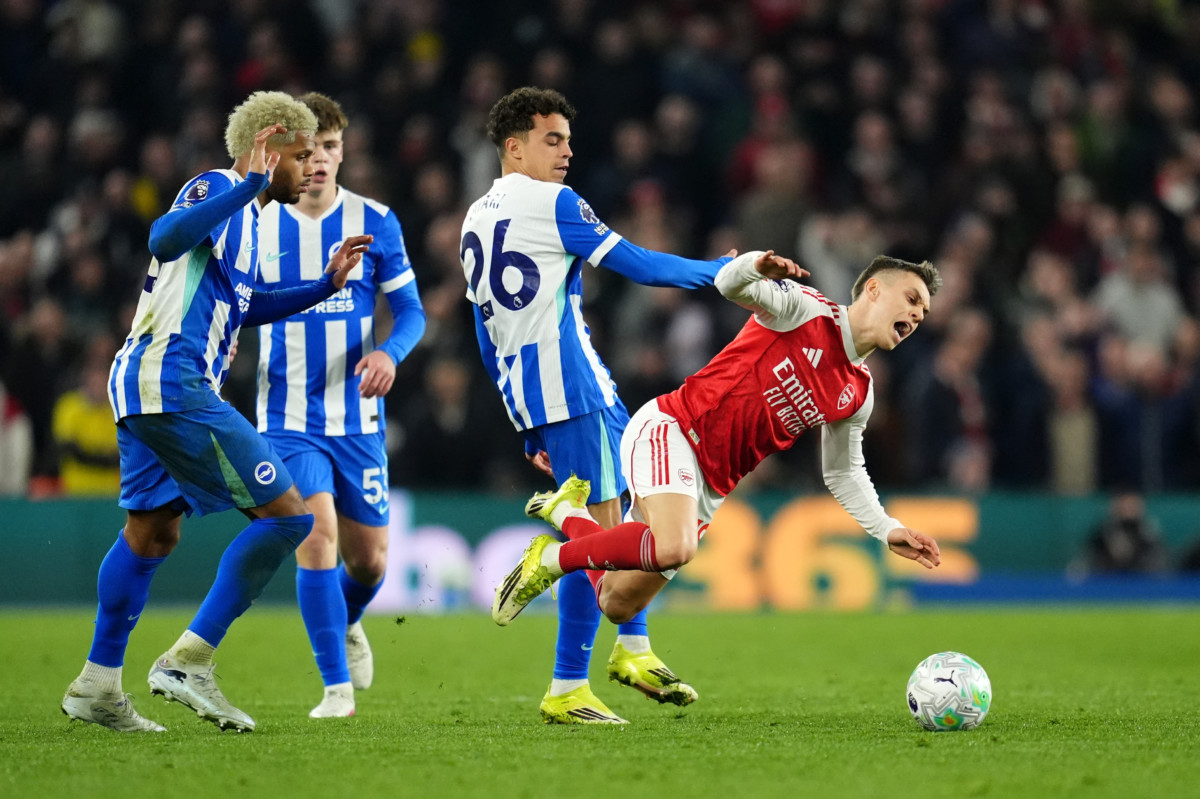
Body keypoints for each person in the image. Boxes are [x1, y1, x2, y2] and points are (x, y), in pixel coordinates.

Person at [61, 91, 373, 734]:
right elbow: (164, 237)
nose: (311, 166)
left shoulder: (252, 222)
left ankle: (97, 684)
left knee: (152, 534)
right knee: (290, 517)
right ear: (266, 146)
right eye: (301, 154)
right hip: (174, 379)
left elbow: (244, 305)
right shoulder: (216, 186)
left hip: (149, 384)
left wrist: (323, 286)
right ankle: (189, 661)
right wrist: (247, 184)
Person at [462, 86, 733, 724]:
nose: (566, 151)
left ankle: (633, 647)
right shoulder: (552, 202)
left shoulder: (476, 216)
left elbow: (485, 325)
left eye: (568, 139)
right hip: (572, 387)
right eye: (551, 139)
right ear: (514, 146)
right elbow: (636, 264)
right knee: (609, 537)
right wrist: (720, 273)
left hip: (549, 391)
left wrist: (520, 419)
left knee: (627, 522)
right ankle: (566, 686)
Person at [493, 253, 944, 630]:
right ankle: (553, 560)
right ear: (872, 290)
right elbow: (730, 284)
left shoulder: (858, 392)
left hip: (711, 485)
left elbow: (843, 472)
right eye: (910, 299)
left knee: (616, 604)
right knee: (674, 546)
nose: (916, 315)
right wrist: (754, 264)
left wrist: (887, 528)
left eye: (922, 312)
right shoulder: (806, 309)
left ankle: (569, 515)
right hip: (674, 430)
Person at [254, 92, 426, 719]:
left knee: (371, 562)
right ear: (286, 155)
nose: (321, 159)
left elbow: (410, 311)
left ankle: (348, 621)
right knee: (316, 533)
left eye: (330, 147)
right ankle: (336, 690)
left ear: (343, 149)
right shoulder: (258, 223)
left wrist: (391, 354)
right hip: (286, 418)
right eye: (309, 149)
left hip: (357, 420)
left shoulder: (375, 220)